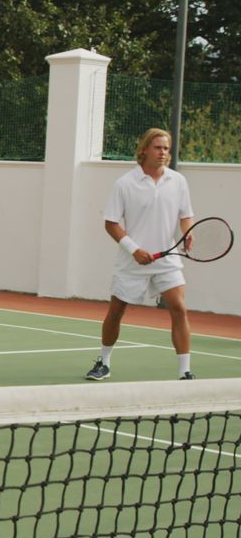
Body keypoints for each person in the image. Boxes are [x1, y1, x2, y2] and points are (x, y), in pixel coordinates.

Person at [85, 128, 193, 381]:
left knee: (179, 308)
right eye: (158, 147)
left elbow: (185, 215)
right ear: (143, 150)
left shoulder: (178, 181)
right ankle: (104, 362)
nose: (163, 153)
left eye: (166, 148)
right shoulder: (125, 183)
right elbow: (111, 223)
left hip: (167, 260)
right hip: (132, 260)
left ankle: (185, 371)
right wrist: (134, 250)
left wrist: (187, 232)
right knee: (116, 311)